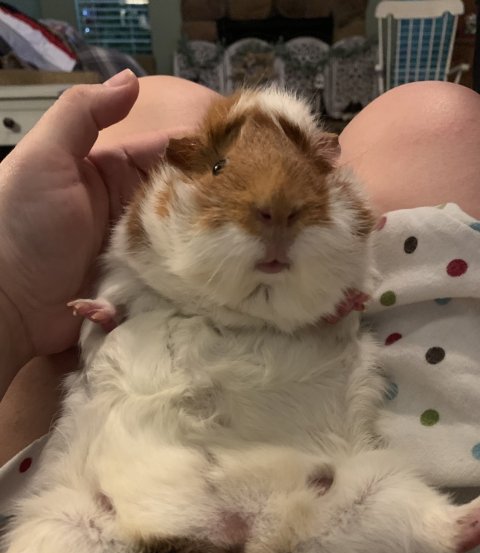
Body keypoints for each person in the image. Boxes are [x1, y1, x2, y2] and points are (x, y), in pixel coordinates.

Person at [0, 69, 480, 466]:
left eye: (305, 167)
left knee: (161, 95)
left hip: (309, 465)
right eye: (219, 169)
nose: (273, 200)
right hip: (139, 464)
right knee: (436, 113)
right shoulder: (147, 234)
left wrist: (11, 301)